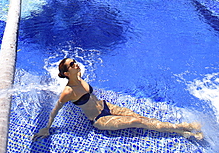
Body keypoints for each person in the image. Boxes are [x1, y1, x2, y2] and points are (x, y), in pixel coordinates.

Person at [32, 58, 203, 141]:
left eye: (74, 62)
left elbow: (91, 95)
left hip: (106, 106)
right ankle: (180, 129)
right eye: (72, 65)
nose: (76, 64)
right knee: (137, 121)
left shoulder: (81, 78)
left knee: (140, 117)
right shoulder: (68, 92)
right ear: (67, 73)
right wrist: (47, 128)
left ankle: (179, 130)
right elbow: (55, 109)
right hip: (100, 119)